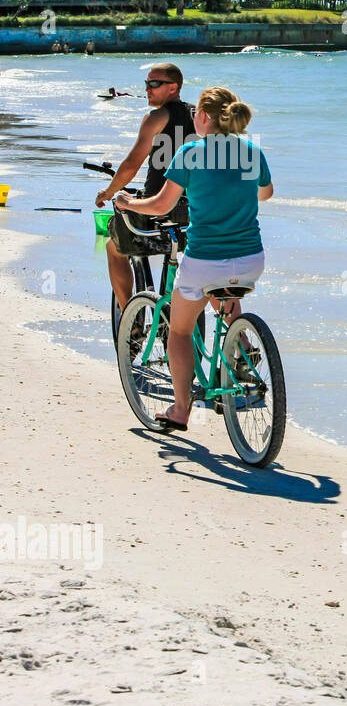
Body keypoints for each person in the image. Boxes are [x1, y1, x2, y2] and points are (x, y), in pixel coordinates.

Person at [113, 87, 273, 432]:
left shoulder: (190, 153)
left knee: (181, 331)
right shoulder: (251, 151)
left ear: (202, 116)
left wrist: (128, 203)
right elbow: (265, 193)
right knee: (224, 294)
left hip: (205, 259)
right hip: (250, 259)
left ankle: (181, 408)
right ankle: (240, 344)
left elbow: (160, 205)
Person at [95, 63, 195, 313]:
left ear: (173, 88)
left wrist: (108, 192)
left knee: (113, 246)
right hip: (196, 214)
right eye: (146, 84)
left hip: (161, 214)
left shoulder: (157, 117)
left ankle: (130, 316)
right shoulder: (201, 116)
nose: (148, 89)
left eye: (154, 84)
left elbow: (131, 164)